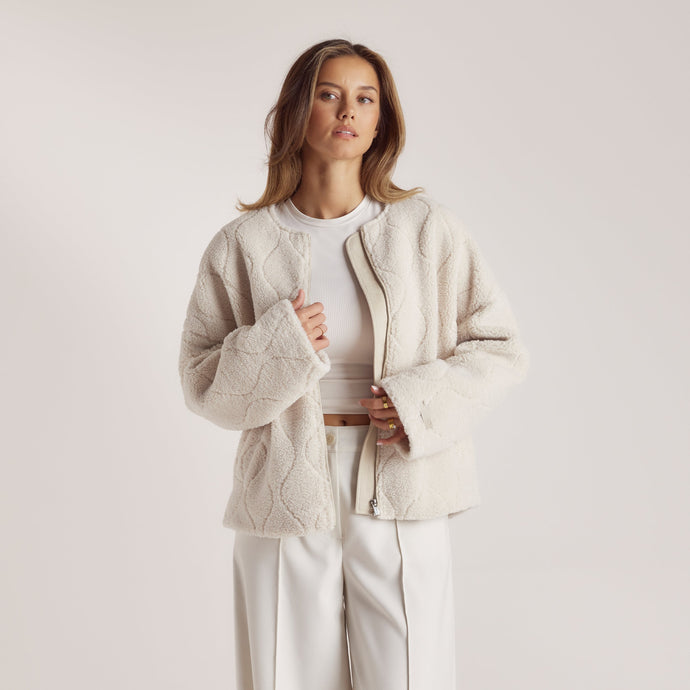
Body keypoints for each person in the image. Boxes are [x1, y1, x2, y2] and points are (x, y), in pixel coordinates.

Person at [178, 38, 529, 690]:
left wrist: (417, 404)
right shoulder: (243, 244)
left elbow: (499, 345)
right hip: (283, 487)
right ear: (297, 110)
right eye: (329, 94)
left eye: (365, 98)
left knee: (411, 677)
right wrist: (280, 344)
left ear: (380, 119)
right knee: (285, 676)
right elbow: (203, 384)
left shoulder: (427, 231)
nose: (349, 111)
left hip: (401, 483)